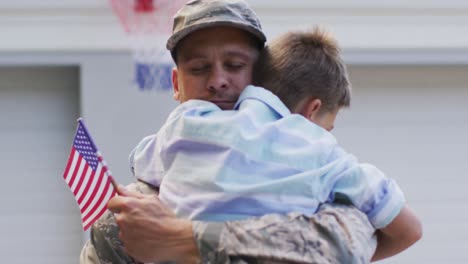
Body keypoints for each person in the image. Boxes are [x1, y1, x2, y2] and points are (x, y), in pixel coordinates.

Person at [80, 1, 421, 263]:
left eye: (235, 65)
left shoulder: (319, 175)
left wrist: (183, 237)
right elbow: (397, 231)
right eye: (198, 69)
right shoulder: (131, 211)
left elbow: (339, 247)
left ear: (259, 79)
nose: (217, 81)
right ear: (176, 84)